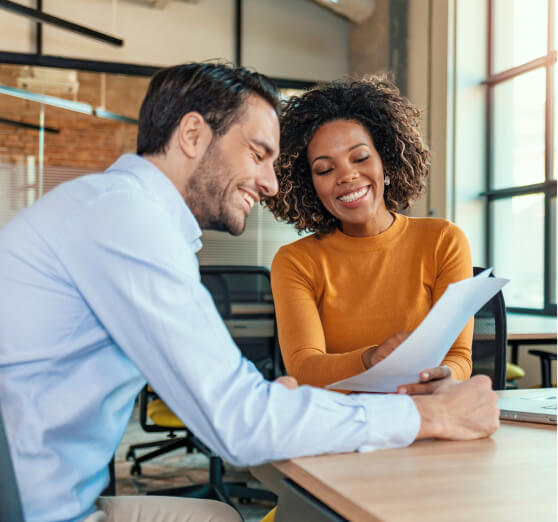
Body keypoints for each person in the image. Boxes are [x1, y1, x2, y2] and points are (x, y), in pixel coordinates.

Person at [0, 63, 498, 522]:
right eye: (258, 154)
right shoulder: (123, 221)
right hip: (34, 510)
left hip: (55, 496)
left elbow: (235, 402)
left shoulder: (116, 211)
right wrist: (427, 414)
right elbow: (239, 425)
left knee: (219, 516)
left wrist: (264, 401)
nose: (269, 183)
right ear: (193, 134)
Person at [267, 75, 473, 390]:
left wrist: (444, 376)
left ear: (386, 162)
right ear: (310, 185)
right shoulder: (295, 261)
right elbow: (304, 368)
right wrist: (371, 359)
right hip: (340, 422)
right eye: (325, 169)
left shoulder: (443, 240)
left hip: (424, 411)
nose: (347, 175)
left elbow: (458, 356)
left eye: (360, 157)